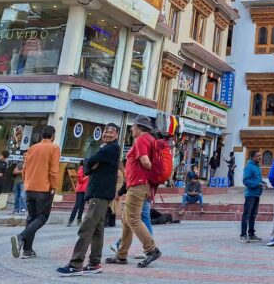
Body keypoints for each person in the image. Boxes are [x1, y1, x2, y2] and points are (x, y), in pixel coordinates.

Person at [56, 123, 121, 276]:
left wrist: (90, 163)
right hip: (100, 193)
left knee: (86, 228)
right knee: (97, 229)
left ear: (117, 135)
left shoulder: (111, 148)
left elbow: (90, 161)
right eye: (106, 131)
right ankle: (94, 263)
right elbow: (90, 163)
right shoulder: (106, 148)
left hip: (100, 193)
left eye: (111, 132)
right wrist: (91, 163)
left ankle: (75, 264)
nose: (107, 134)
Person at [105, 115, 161, 268]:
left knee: (133, 219)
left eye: (133, 126)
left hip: (138, 185)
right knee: (127, 219)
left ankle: (151, 249)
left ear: (139, 127)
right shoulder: (151, 140)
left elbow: (146, 162)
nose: (131, 129)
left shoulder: (142, 140)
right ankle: (121, 254)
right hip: (141, 185)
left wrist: (150, 172)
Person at [11, 126, 60, 260]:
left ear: (41, 135)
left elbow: (25, 168)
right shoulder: (54, 148)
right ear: (53, 135)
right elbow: (53, 171)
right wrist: (54, 186)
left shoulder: (32, 148)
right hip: (44, 188)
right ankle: (21, 237)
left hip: (30, 187)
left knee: (31, 218)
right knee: (42, 217)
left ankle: (27, 250)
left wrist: (27, 182)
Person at [240, 150, 263, 243]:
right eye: (258, 156)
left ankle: (251, 234)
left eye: (260, 156)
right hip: (250, 194)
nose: (260, 157)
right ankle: (243, 235)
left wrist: (262, 183)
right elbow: (245, 180)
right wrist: (257, 184)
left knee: (253, 215)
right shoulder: (249, 167)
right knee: (247, 215)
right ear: (253, 157)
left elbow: (257, 179)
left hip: (257, 194)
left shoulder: (257, 167)